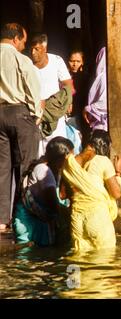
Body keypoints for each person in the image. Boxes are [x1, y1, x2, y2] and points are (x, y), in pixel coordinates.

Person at [0, 23, 42, 231]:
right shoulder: (20, 58)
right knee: (27, 166)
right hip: (19, 112)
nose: (24, 46)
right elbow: (32, 87)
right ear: (15, 39)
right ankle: (23, 215)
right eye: (24, 41)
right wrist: (36, 114)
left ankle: (1, 220)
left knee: (2, 168)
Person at [13, 137, 74, 246]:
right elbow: (54, 204)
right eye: (70, 158)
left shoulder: (45, 167)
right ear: (61, 157)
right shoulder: (44, 170)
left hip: (28, 221)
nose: (72, 162)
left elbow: (61, 196)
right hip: (29, 225)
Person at [30, 34, 73, 156]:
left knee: (58, 149)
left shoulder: (56, 60)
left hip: (54, 111)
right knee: (39, 151)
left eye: (36, 49)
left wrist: (68, 101)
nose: (33, 52)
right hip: (36, 113)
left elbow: (67, 83)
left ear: (45, 48)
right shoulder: (27, 65)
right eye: (31, 49)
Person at [67, 50, 90, 139]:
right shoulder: (64, 77)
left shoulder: (86, 78)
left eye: (78, 61)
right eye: (72, 61)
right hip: (67, 113)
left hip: (82, 114)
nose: (75, 64)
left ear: (82, 62)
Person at [84, 47, 108, 132]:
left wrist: (88, 108)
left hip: (103, 124)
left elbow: (104, 103)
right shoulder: (100, 78)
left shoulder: (103, 78)